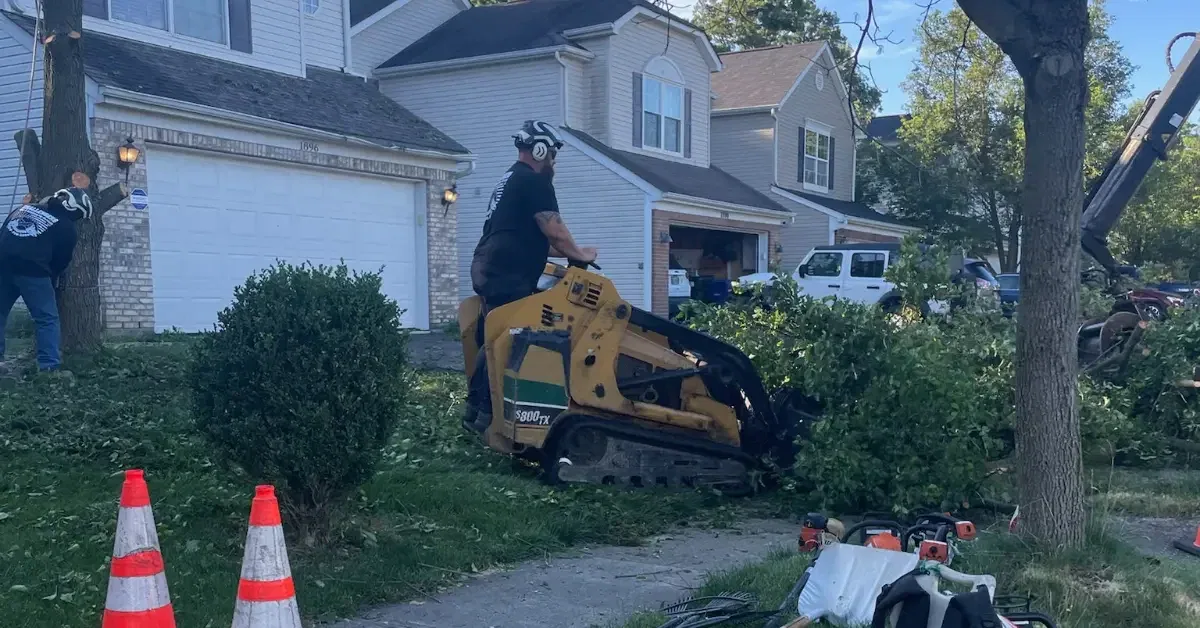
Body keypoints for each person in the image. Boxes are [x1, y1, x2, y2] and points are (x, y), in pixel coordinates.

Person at [463, 120, 597, 432]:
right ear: (539, 149)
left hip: (491, 264)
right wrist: (579, 254)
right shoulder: (535, 182)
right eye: (552, 153)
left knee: (494, 334)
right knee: (504, 337)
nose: (554, 161)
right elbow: (555, 231)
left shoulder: (511, 179)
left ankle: (478, 412)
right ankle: (483, 414)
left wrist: (572, 252)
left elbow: (529, 237)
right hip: (505, 271)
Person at [0, 187, 92, 373]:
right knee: (46, 319)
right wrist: (52, 282)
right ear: (73, 208)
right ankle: (49, 367)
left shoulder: (23, 209)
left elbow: (3, 234)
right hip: (34, 272)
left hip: (3, 266)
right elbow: (60, 261)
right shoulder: (67, 228)